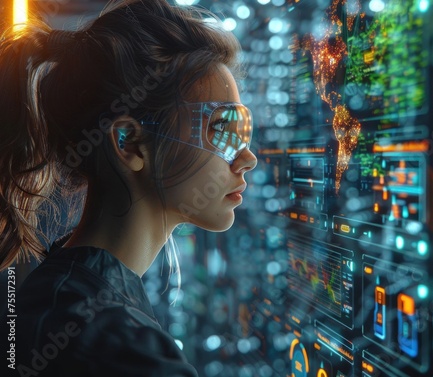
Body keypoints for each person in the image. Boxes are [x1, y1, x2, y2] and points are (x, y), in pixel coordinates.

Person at [0, 0, 257, 375]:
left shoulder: (67, 295)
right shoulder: (120, 348)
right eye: (221, 128)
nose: (247, 157)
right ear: (130, 143)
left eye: (242, 129)